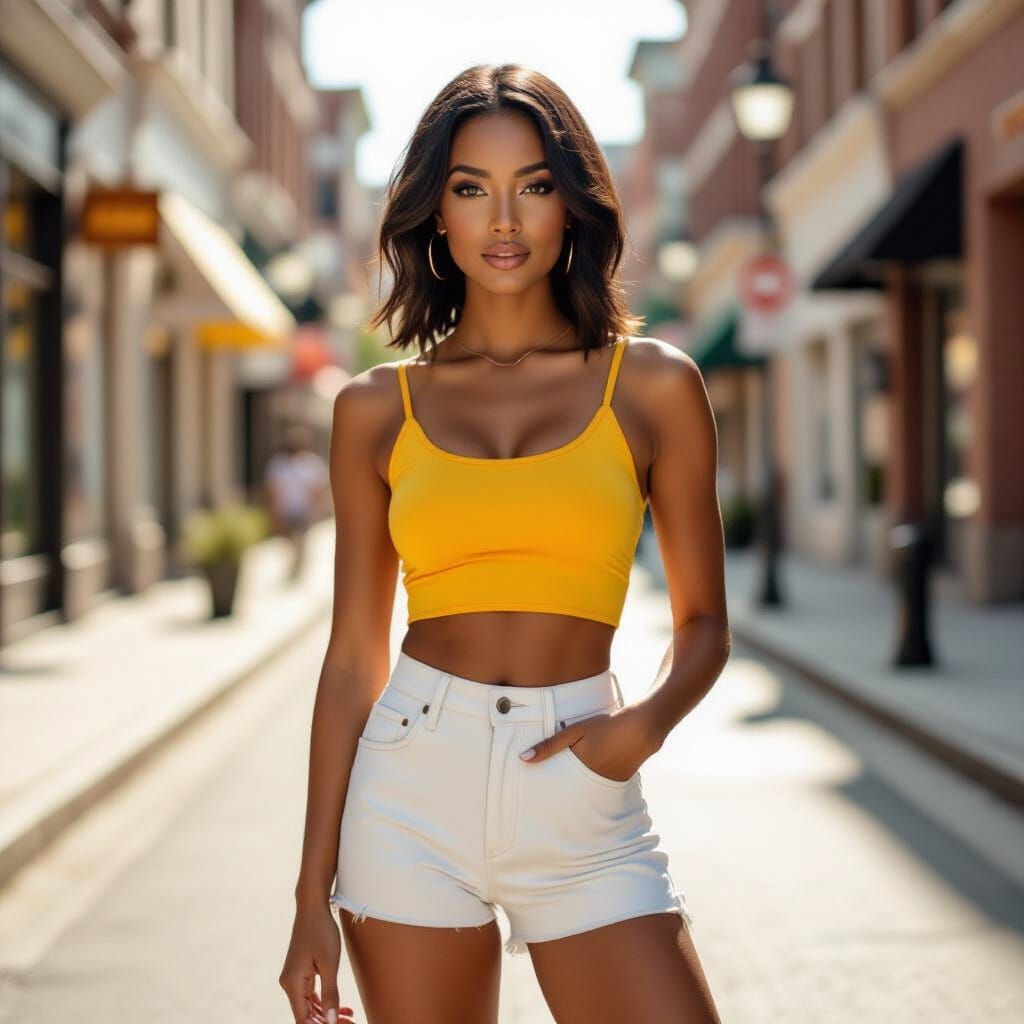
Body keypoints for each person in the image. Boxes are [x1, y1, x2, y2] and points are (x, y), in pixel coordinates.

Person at [279, 64, 729, 1024]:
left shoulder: (651, 386)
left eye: (533, 185)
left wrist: (633, 732)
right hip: (407, 789)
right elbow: (353, 656)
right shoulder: (372, 407)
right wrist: (308, 896)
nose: (505, 220)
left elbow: (703, 626)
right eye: (470, 189)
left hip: (583, 787)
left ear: (572, 203)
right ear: (434, 213)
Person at [264, 423, 329, 582]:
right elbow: (272, 490)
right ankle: (294, 565)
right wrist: (274, 512)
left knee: (300, 539)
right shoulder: (278, 464)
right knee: (289, 542)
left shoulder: (311, 464)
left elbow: (318, 490)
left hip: (305, 510)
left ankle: (298, 568)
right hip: (286, 510)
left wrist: (316, 509)